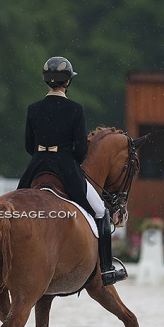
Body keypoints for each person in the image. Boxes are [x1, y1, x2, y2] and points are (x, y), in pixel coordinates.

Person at [17, 56, 127, 286]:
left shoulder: (33, 108)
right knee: (100, 211)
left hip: (36, 166)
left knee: (16, 209)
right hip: (65, 166)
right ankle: (106, 269)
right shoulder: (75, 109)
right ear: (67, 82)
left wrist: (42, 155)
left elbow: (29, 145)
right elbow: (81, 150)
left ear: (47, 81)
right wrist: (68, 158)